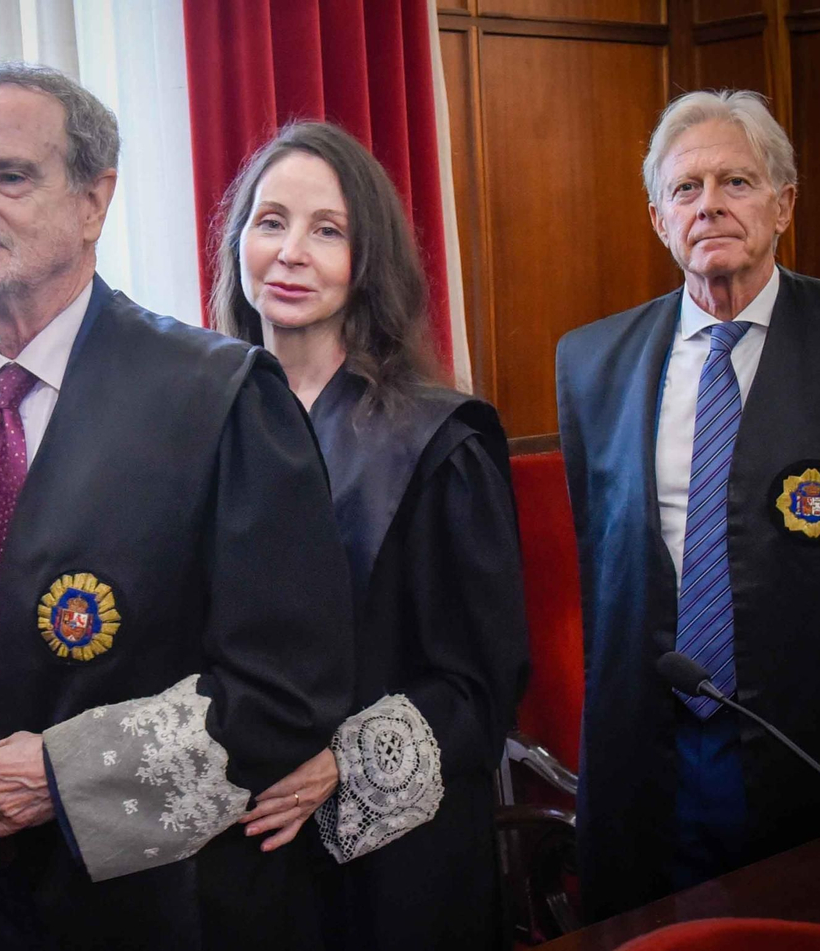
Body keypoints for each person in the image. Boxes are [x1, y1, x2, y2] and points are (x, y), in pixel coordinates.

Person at [0, 64, 354, 950]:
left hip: (156, 904)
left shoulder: (222, 397)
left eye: (8, 175)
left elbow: (287, 690)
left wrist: (68, 775)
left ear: (93, 200)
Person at [555, 89, 820, 920]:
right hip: (653, 759)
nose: (709, 203)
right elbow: (607, 563)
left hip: (819, 757)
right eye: (685, 189)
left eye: (737, 181)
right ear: (657, 217)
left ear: (785, 204)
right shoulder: (591, 364)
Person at [212, 121, 530, 949]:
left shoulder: (439, 443)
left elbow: (479, 687)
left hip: (394, 864)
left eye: (327, 230)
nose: (289, 252)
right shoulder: (198, 424)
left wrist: (339, 765)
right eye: (270, 220)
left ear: (368, 260)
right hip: (238, 845)